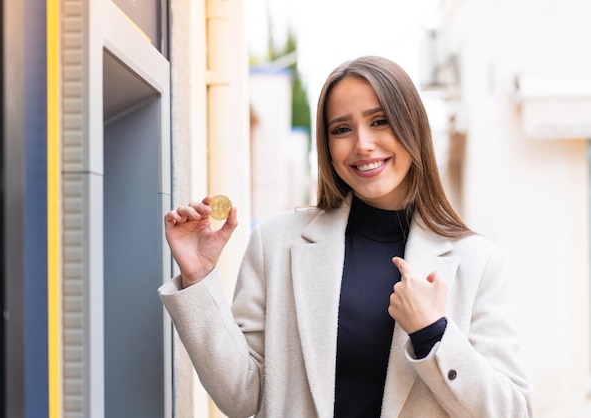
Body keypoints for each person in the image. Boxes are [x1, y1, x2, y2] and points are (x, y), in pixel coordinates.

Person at [159, 56, 534, 418]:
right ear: (327, 146)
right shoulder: (276, 243)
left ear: (412, 128)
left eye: (380, 121)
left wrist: (433, 333)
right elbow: (241, 397)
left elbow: (514, 410)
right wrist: (198, 276)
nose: (362, 144)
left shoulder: (478, 262)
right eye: (342, 129)